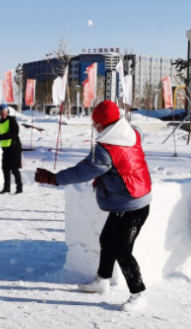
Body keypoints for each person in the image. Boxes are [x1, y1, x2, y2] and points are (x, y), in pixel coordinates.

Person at [34, 100, 152, 312]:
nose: (93, 125)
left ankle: (139, 294)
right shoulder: (132, 132)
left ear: (101, 124)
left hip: (131, 205)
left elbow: (83, 172)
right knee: (107, 240)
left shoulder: (105, 151)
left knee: (122, 250)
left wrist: (53, 178)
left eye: (95, 122)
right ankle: (102, 280)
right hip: (131, 199)